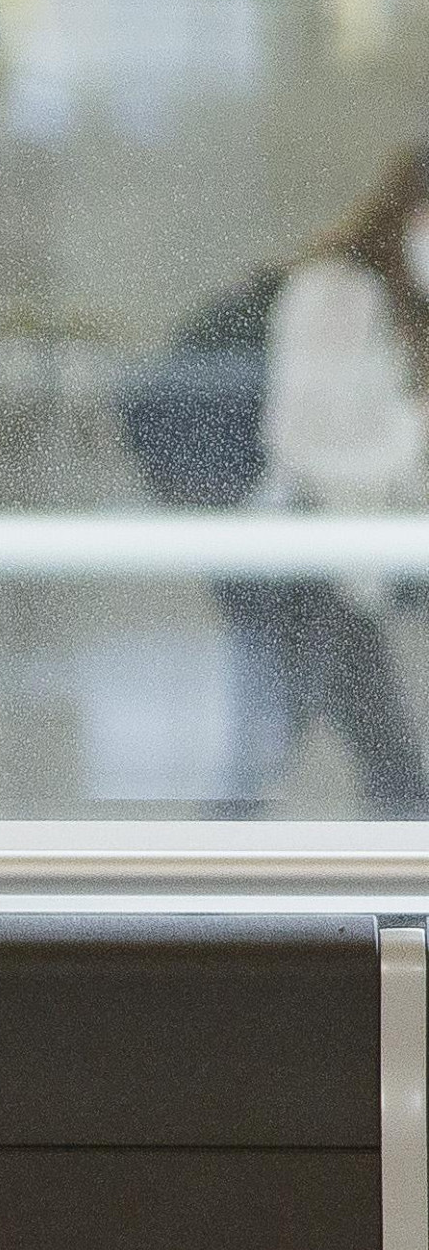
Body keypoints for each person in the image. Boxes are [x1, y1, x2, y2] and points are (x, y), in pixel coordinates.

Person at [218, 143, 429, 813]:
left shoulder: (402, 305)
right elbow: (299, 437)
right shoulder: (336, 289)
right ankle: (190, 897)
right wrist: (408, 436)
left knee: (377, 764)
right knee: (271, 755)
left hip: (351, 565)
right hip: (302, 559)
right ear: (413, 212)